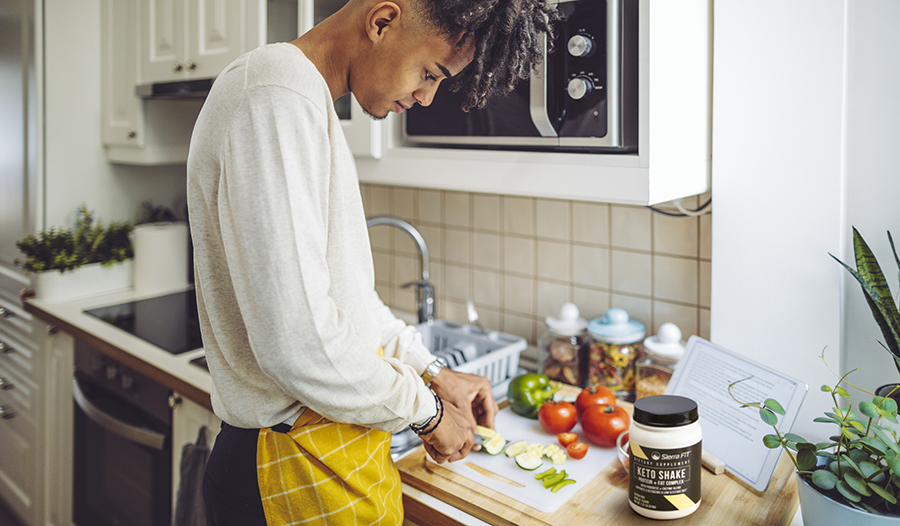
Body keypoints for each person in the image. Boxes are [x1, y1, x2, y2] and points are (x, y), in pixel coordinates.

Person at [186, 0, 559, 523]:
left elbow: (350, 301)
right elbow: (297, 343)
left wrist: (432, 373)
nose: (427, 97)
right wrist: (426, 414)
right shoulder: (275, 94)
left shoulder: (304, 98)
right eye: (429, 73)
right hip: (287, 466)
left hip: (321, 456)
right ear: (383, 21)